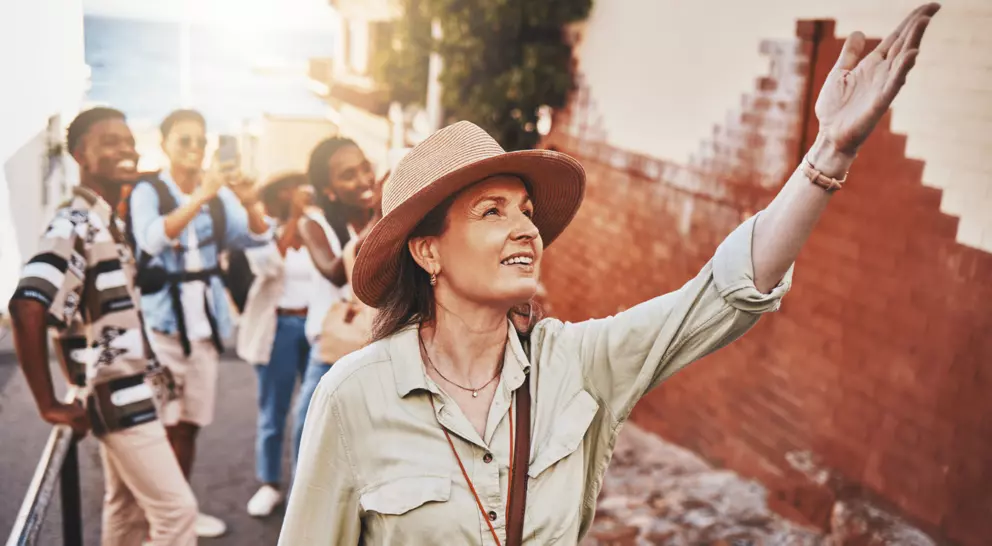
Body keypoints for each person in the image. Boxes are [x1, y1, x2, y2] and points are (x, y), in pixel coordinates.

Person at [279, 5, 940, 544]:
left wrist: (828, 153)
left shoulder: (578, 366)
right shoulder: (354, 398)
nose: (526, 229)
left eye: (528, 211)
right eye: (491, 211)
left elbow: (721, 295)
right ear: (429, 253)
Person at [7, 107, 198, 545]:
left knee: (125, 508)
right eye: (110, 141)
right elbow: (28, 306)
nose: (126, 149)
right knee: (177, 513)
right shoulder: (74, 224)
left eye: (129, 141)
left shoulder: (105, 221)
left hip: (126, 391)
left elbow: (76, 320)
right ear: (81, 156)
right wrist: (49, 404)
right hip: (120, 398)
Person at [128, 109, 273, 537]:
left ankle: (181, 511)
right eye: (184, 140)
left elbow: (257, 238)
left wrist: (248, 201)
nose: (194, 149)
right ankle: (165, 519)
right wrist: (200, 196)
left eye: (200, 141)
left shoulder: (218, 194)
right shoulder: (148, 190)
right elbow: (152, 239)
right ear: (165, 143)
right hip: (163, 327)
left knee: (190, 424)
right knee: (162, 427)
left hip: (204, 328)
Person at [290, 137, 382, 463]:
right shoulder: (313, 224)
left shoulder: (380, 217)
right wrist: (381, 217)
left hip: (379, 344)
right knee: (309, 435)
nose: (363, 180)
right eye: (348, 175)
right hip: (333, 346)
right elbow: (336, 271)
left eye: (364, 168)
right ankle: (300, 505)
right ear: (328, 189)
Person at [235, 173, 319, 516]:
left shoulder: (319, 227)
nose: (295, 193)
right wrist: (296, 218)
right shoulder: (263, 229)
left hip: (316, 326)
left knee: (313, 410)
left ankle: (307, 484)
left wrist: (305, 219)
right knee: (274, 411)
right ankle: (269, 483)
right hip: (280, 325)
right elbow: (272, 265)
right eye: (287, 189)